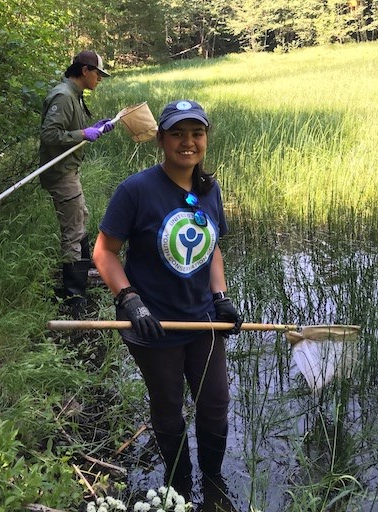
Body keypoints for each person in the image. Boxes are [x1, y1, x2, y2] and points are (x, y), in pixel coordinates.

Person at [92, 100, 242, 489]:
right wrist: (130, 299)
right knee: (168, 407)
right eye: (177, 133)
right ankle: (179, 484)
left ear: (206, 138)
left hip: (203, 319)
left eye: (196, 133)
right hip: (154, 323)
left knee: (215, 404)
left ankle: (212, 481)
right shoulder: (136, 190)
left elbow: (212, 249)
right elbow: (104, 252)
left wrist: (221, 296)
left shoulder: (210, 189)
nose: (187, 142)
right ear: (161, 139)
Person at [39, 50, 114, 315]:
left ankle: (82, 275)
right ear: (85, 71)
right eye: (98, 74)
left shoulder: (74, 95)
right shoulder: (63, 95)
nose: (99, 80)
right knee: (73, 230)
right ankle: (74, 297)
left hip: (69, 170)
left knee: (81, 216)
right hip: (60, 174)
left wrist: (96, 128)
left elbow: (69, 131)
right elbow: (50, 134)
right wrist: (84, 133)